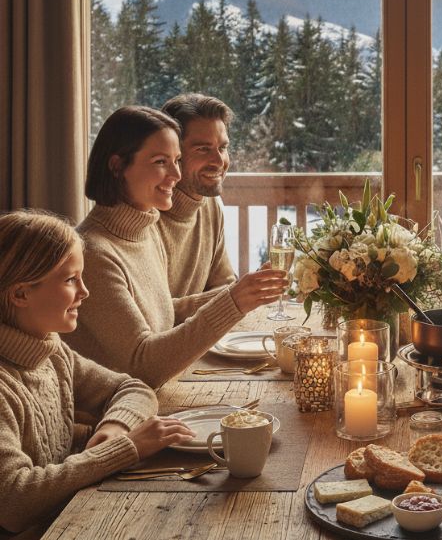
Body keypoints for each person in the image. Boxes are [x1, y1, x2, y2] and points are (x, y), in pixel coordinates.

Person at [0, 210, 195, 535]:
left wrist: (115, 427)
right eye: (69, 279)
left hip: (73, 519)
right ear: (20, 294)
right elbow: (14, 501)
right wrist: (123, 449)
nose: (84, 292)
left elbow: (134, 388)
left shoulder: (51, 351)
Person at [64, 106, 285, 387]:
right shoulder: (92, 254)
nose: (176, 175)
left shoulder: (144, 232)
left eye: (177, 161)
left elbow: (163, 312)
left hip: (156, 399)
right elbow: (144, 365)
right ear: (117, 166)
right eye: (160, 162)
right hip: (115, 417)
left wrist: (246, 293)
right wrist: (233, 302)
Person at [157, 93, 237, 316]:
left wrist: (236, 294)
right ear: (173, 154)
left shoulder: (210, 205)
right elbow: (153, 315)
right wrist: (235, 297)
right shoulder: (145, 214)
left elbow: (224, 283)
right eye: (203, 149)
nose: (219, 162)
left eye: (222, 148)